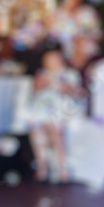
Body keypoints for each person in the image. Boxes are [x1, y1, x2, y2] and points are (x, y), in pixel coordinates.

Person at [22, 49, 86, 183]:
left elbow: (74, 91)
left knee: (53, 126)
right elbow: (34, 92)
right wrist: (40, 85)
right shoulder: (42, 74)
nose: (50, 63)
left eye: (53, 60)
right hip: (44, 107)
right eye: (47, 61)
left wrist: (54, 83)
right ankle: (43, 167)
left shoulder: (70, 73)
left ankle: (62, 168)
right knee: (36, 129)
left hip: (64, 107)